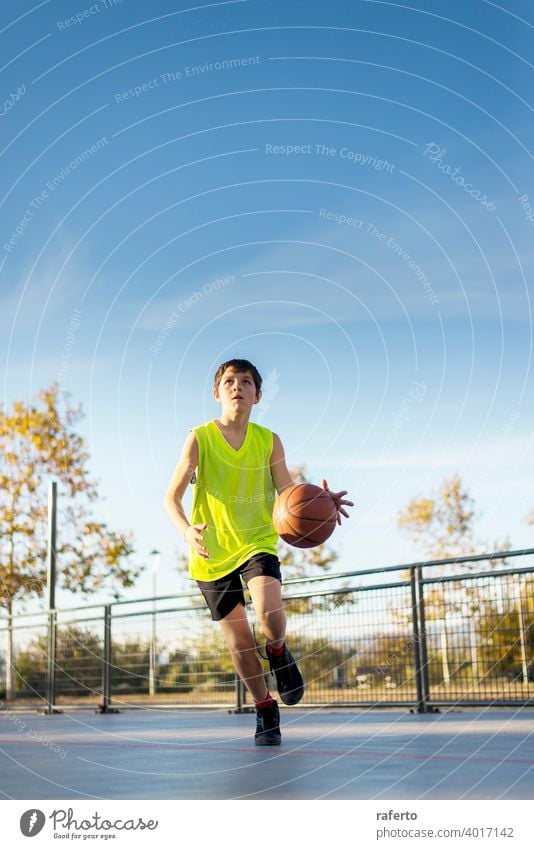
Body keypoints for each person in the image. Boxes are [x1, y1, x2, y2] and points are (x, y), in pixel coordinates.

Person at [164, 358, 353, 745]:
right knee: (238, 644)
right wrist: (186, 531)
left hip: (256, 542)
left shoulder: (269, 440)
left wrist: (319, 501)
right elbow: (171, 496)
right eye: (229, 381)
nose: (238, 387)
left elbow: (286, 492)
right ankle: (265, 708)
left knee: (269, 613)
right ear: (216, 393)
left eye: (246, 381)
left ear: (258, 394)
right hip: (211, 552)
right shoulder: (199, 437)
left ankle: (279, 650)